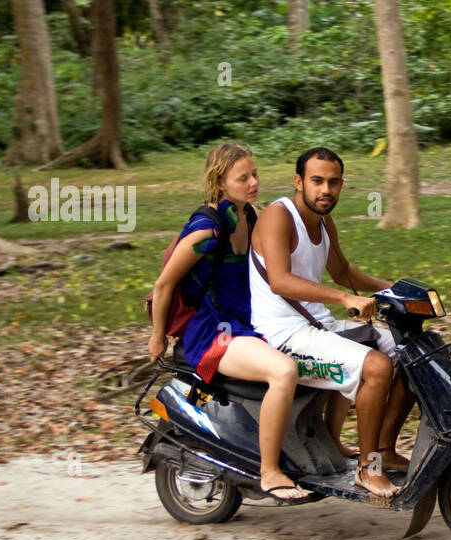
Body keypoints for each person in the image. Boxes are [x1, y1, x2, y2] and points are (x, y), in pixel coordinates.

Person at [148, 143, 311, 504]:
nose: (253, 182)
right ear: (219, 182)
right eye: (243, 178)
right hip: (215, 333)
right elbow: (164, 284)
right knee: (284, 371)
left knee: (322, 357)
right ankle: (270, 473)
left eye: (255, 174)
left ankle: (315, 454)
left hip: (252, 323)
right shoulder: (206, 231)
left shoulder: (251, 216)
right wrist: (158, 336)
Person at [248, 147, 415, 499]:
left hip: (317, 326)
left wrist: (397, 289)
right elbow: (279, 280)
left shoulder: (323, 220)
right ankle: (367, 471)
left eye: (334, 182)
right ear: (299, 182)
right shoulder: (278, 217)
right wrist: (345, 299)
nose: (326, 190)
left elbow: (341, 271)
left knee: (411, 354)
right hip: (283, 335)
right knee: (378, 367)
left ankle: (383, 450)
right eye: (317, 181)